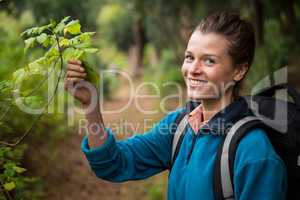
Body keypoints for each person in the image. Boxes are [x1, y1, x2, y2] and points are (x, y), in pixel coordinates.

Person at [64, 11, 287, 200]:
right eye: (190, 57)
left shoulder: (255, 154)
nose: (193, 69)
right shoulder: (180, 125)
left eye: (209, 60)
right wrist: (90, 104)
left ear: (239, 70)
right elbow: (114, 164)